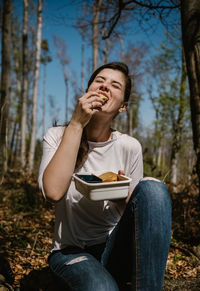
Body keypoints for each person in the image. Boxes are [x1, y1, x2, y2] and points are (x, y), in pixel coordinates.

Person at [38, 62, 171, 291]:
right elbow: (52, 192)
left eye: (115, 85)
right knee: (103, 288)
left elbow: (137, 214)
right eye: (99, 81)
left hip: (114, 247)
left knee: (154, 188)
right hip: (70, 252)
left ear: (123, 107)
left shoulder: (130, 146)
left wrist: (120, 196)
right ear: (87, 91)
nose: (105, 87)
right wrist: (77, 123)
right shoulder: (57, 135)